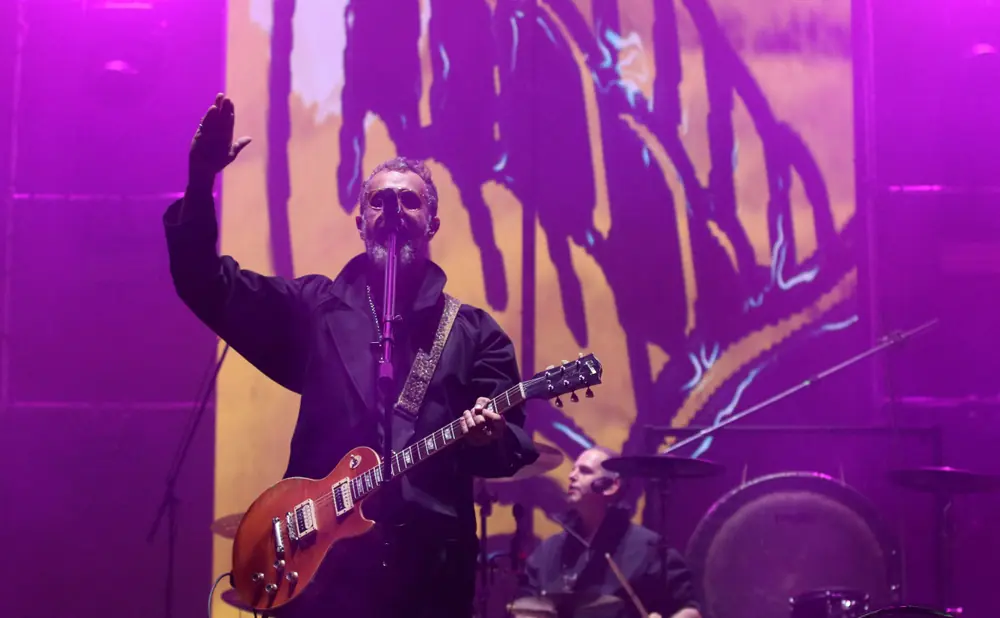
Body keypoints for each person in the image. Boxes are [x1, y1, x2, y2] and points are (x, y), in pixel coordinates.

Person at [164, 93, 539, 618]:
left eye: (409, 201)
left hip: (428, 576)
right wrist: (201, 181)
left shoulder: (474, 333)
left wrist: (492, 435)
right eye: (379, 201)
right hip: (320, 572)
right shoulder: (315, 309)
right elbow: (204, 284)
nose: (392, 210)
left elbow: (514, 442)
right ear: (360, 222)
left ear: (432, 222)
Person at [516, 447, 702, 618]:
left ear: (611, 486)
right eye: (574, 469)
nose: (572, 476)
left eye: (585, 471)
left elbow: (691, 610)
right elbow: (525, 605)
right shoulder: (548, 551)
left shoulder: (649, 549)